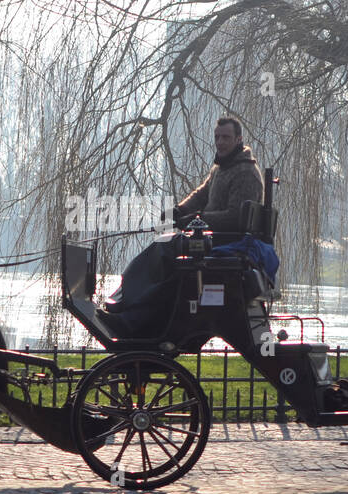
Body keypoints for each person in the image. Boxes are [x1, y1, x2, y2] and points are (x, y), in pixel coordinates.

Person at [97, 117, 264, 336]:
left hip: (226, 242)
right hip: (210, 239)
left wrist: (197, 219)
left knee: (162, 249)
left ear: (238, 139)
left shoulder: (245, 173)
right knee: (164, 251)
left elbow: (235, 218)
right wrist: (178, 211)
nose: (220, 142)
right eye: (217, 137)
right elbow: (201, 194)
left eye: (226, 137)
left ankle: (129, 314)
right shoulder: (221, 168)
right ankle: (131, 309)